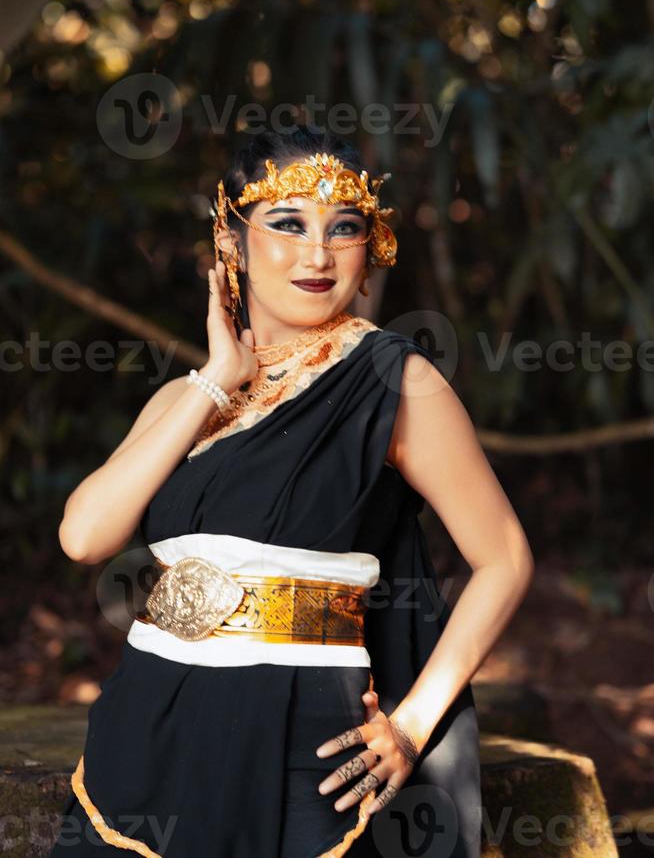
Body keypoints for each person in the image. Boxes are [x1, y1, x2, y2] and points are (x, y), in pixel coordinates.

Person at [48, 125, 534, 858]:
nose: (318, 253)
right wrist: (217, 374)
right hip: (150, 726)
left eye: (344, 228)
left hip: (301, 739)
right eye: (287, 223)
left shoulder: (392, 382)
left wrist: (411, 723)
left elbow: (503, 558)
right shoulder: (190, 397)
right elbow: (84, 537)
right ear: (231, 243)